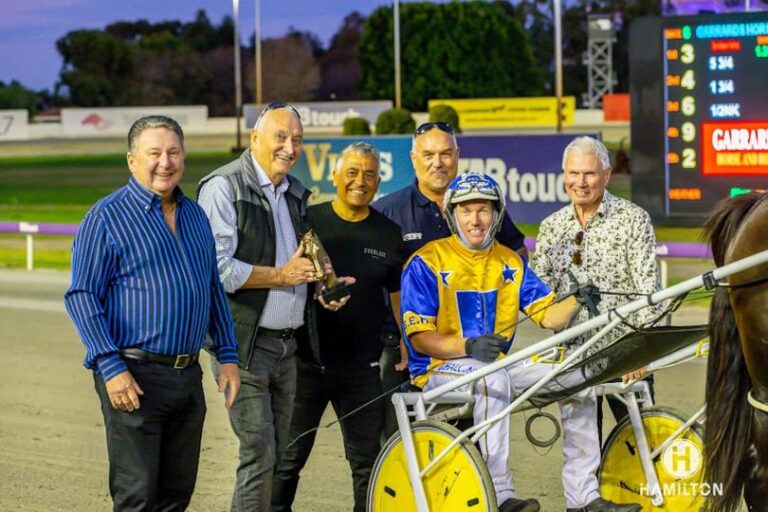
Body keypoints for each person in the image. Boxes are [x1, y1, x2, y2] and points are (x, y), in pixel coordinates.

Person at [64, 115, 241, 511]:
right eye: (154, 153)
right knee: (138, 496)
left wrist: (228, 355)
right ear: (132, 160)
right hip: (133, 376)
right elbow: (81, 296)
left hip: (187, 376)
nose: (165, 162)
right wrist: (110, 367)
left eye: (174, 152)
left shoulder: (195, 215)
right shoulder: (106, 217)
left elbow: (212, 288)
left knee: (176, 495)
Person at [400, 171, 594, 512]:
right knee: (493, 379)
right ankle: (500, 493)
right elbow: (420, 339)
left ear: (497, 214)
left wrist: (578, 299)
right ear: (452, 215)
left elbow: (548, 317)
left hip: (494, 368)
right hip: (437, 370)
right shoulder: (425, 262)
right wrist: (467, 347)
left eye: (484, 210)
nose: (475, 220)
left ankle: (584, 496)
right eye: (466, 210)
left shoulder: (510, 261)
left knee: (577, 376)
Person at [197, 102, 333, 511]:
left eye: (297, 139)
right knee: (259, 451)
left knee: (277, 453)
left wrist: (323, 284)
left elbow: (298, 262)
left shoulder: (294, 192)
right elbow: (218, 269)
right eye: (281, 137)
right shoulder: (224, 187)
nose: (290, 148)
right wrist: (282, 276)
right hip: (242, 347)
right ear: (254, 138)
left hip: (287, 349)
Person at [271, 142, 406, 512]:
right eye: (352, 172)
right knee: (286, 461)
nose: (360, 181)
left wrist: (404, 340)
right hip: (305, 365)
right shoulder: (306, 222)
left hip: (362, 370)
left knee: (367, 464)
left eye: (369, 175)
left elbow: (396, 294)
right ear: (334, 176)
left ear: (378, 182)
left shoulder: (389, 234)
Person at [372, 121, 528, 437]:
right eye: (428, 155)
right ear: (413, 158)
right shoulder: (388, 211)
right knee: (400, 442)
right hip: (405, 348)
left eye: (445, 154)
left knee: (471, 441)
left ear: (457, 156)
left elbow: (516, 254)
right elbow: (377, 280)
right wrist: (404, 334)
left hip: (471, 351)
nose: (438, 163)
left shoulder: (481, 204)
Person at [530, 136, 659, 512]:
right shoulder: (552, 228)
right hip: (574, 359)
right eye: (573, 173)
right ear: (563, 175)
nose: (581, 182)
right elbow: (538, 299)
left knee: (644, 448)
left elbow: (650, 293)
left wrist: (640, 352)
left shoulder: (633, 219)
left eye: (589, 174)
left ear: (606, 174)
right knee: (582, 455)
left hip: (626, 357)